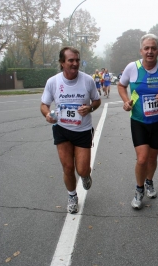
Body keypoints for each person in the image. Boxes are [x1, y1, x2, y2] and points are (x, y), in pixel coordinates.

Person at [118, 33, 158, 210]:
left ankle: (149, 182)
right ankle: (139, 190)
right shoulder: (132, 67)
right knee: (142, 158)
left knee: (153, 157)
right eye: (146, 48)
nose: (150, 51)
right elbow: (121, 85)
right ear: (141, 50)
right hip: (138, 119)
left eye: (153, 48)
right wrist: (126, 101)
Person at [40, 46, 101, 214]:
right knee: (67, 167)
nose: (75, 64)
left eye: (77, 60)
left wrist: (89, 108)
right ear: (62, 63)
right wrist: (47, 114)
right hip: (62, 129)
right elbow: (44, 105)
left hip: (82, 130)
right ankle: (72, 196)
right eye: (71, 60)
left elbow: (97, 101)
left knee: (82, 169)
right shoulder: (53, 82)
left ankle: (86, 176)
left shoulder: (87, 80)